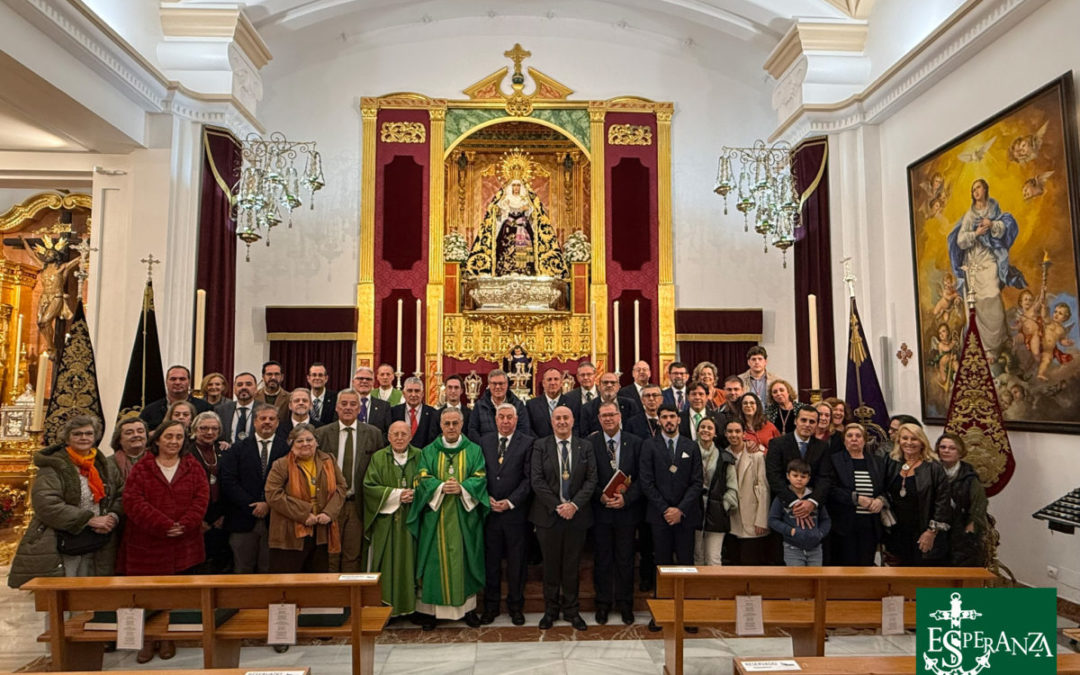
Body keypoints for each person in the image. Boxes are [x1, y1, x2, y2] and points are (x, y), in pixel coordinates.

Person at [120, 419, 208, 663]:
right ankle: (147, 641)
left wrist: (184, 524)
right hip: (148, 545)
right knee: (145, 597)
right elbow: (133, 501)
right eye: (169, 436)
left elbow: (201, 498)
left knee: (174, 596)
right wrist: (163, 525)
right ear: (157, 439)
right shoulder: (142, 467)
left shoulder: (193, 466)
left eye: (179, 437)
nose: (174, 441)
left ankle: (168, 638)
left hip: (183, 543)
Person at [9, 415, 123, 588]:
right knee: (65, 594)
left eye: (88, 433)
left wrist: (112, 517)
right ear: (67, 438)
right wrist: (88, 519)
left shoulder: (103, 465)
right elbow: (46, 503)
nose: (84, 438)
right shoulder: (54, 466)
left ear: (95, 437)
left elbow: (120, 494)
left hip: (99, 540)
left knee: (94, 595)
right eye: (77, 434)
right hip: (64, 540)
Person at [407, 408, 489, 629]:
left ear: (462, 424)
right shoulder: (428, 451)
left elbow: (480, 477)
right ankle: (430, 612)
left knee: (463, 561)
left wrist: (462, 488)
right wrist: (442, 486)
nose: (451, 427)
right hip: (435, 518)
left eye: (455, 423)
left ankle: (467, 610)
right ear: (441, 425)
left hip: (464, 517)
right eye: (447, 423)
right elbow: (421, 476)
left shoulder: (474, 450)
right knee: (434, 562)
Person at [530, 405, 596, 631]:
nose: (561, 422)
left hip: (576, 516)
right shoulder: (540, 445)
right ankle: (550, 611)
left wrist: (574, 505)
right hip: (548, 515)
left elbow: (591, 480)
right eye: (557, 418)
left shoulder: (585, 446)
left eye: (565, 418)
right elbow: (537, 480)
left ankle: (572, 610)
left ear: (573, 421)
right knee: (550, 566)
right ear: (551, 422)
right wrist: (559, 505)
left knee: (571, 565)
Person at [641, 404, 702, 631]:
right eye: (664, 417)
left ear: (679, 420)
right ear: (659, 420)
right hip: (660, 516)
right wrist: (666, 509)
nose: (668, 420)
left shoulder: (690, 445)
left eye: (672, 417)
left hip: (685, 516)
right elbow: (646, 481)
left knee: (686, 563)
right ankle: (662, 613)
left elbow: (697, 482)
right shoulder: (650, 445)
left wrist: (680, 509)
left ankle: (686, 613)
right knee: (662, 564)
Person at [947, 178, 1026, 353]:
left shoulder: (993, 206)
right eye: (973, 189)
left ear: (985, 189)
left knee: (992, 295)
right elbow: (960, 241)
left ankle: (998, 340)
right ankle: (984, 347)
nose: (975, 191)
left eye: (978, 188)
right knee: (977, 302)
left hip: (989, 258)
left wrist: (992, 224)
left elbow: (1002, 227)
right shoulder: (970, 215)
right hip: (973, 260)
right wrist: (976, 233)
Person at [313, 389, 383, 572]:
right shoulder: (322, 434)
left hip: (356, 503)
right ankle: (330, 598)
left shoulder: (373, 434)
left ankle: (349, 599)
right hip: (329, 503)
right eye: (344, 404)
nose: (348, 408)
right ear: (336, 407)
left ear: (360, 408)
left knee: (353, 554)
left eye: (353, 404)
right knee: (330, 554)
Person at [588, 400, 643, 626]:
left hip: (626, 513)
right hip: (600, 513)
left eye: (612, 414)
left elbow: (643, 478)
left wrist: (626, 499)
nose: (608, 419)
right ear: (599, 419)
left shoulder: (636, 443)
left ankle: (625, 604)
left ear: (619, 417)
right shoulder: (589, 443)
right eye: (604, 416)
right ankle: (602, 604)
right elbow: (586, 477)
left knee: (625, 560)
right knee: (602, 560)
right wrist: (599, 496)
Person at [478, 404, 534, 626]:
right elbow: (478, 473)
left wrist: (510, 502)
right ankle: (490, 607)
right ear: (495, 419)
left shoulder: (527, 442)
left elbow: (529, 479)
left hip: (515, 515)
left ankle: (515, 607)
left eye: (509, 417)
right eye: (501, 417)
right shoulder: (484, 441)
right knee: (491, 563)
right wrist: (486, 498)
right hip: (490, 513)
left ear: (516, 419)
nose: (505, 421)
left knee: (516, 563)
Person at [265, 423, 345, 572]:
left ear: (316, 442)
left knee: (317, 581)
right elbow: (272, 495)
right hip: (289, 535)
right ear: (291, 444)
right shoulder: (281, 464)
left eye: (309, 440)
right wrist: (303, 514)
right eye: (299, 441)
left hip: (321, 531)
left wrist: (329, 513)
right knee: (288, 583)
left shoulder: (329, 461)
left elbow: (341, 488)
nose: (305, 444)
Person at [218, 403, 289, 573]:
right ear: (255, 422)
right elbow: (228, 480)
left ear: (277, 423)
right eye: (262, 418)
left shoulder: (287, 450)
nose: (267, 422)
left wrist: (267, 504)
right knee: (242, 569)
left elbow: (290, 482)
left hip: (275, 519)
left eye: (271, 419)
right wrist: (253, 504)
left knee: (269, 570)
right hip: (242, 517)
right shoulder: (238, 448)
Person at [364, 421, 422, 618]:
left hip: (413, 521)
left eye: (403, 434)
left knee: (411, 562)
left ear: (410, 436)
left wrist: (416, 494)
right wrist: (397, 495)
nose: (399, 438)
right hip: (387, 523)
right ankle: (386, 609)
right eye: (395, 434)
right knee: (388, 565)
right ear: (388, 437)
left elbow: (429, 481)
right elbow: (369, 486)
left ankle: (412, 608)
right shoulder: (379, 458)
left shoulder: (420, 456)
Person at [464, 169, 568, 278]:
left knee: (526, 249)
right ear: (511, 187)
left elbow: (535, 214)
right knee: (505, 247)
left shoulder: (526, 199)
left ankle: (525, 271)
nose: (516, 188)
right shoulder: (505, 199)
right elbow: (496, 213)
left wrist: (528, 209)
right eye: (514, 186)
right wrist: (501, 209)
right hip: (508, 227)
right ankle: (505, 272)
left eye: (518, 185)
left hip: (523, 227)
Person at [883, 423, 951, 566]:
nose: (908, 443)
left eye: (914, 439)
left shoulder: (933, 467)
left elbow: (943, 503)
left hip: (923, 533)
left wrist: (931, 532)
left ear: (922, 442)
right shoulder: (892, 462)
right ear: (898, 441)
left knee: (923, 582)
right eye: (904, 438)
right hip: (897, 533)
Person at [827, 423, 888, 566]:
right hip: (844, 524)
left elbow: (886, 488)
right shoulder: (835, 460)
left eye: (858, 436)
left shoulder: (877, 462)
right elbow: (830, 489)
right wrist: (856, 498)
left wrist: (881, 500)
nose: (854, 439)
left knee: (866, 565)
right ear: (844, 441)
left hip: (870, 525)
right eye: (850, 436)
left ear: (865, 440)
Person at [935, 432, 988, 567]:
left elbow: (979, 505)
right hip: (937, 528)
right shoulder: (932, 471)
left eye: (952, 448)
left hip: (962, 530)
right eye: (943, 447)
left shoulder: (970, 477)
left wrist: (970, 529)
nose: (946, 451)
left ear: (960, 452)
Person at [724, 419, 772, 566]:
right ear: (725, 434)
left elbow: (763, 488)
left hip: (752, 519)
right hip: (732, 519)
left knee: (751, 563)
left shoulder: (756, 455)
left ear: (744, 434)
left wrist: (761, 520)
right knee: (734, 562)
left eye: (737, 431)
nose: (734, 435)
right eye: (730, 432)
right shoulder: (723, 455)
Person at [189, 411, 231, 573]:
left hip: (220, 514)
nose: (209, 432)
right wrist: (197, 520)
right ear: (195, 429)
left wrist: (223, 515)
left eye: (214, 429)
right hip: (197, 516)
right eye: (204, 428)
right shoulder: (186, 451)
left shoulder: (224, 451)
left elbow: (228, 484)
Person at [769, 458, 831, 566]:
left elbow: (826, 520)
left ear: (808, 478)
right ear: (788, 476)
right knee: (796, 580)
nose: (799, 479)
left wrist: (820, 533)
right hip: (792, 548)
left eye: (803, 476)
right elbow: (773, 520)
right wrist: (791, 531)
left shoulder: (815, 497)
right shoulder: (782, 498)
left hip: (815, 548)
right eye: (795, 475)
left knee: (815, 579)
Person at [695, 417, 737, 566]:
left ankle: (713, 590)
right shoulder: (688, 453)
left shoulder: (725, 457)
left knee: (713, 557)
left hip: (716, 512)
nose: (706, 430)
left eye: (710, 428)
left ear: (715, 433)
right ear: (697, 431)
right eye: (703, 427)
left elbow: (732, 487)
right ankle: (697, 589)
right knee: (697, 556)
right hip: (694, 510)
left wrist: (723, 505)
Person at [139, 365, 212, 430]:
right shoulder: (150, 411)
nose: (177, 382)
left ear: (189, 382)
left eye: (182, 379)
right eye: (173, 379)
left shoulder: (205, 408)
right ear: (166, 382)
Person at [467, 369, 529, 441]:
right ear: (489, 385)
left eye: (501, 383)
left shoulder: (518, 405)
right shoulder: (479, 406)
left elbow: (524, 430)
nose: (497, 387)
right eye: (494, 384)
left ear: (507, 384)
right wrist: (484, 446)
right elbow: (473, 430)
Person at [583, 371, 642, 436]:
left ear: (619, 387)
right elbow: (584, 434)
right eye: (605, 383)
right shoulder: (587, 408)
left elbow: (638, 429)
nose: (609, 385)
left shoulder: (630, 405)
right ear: (599, 387)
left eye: (613, 382)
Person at [390, 377, 440, 448]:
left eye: (417, 391)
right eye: (410, 391)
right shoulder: (393, 412)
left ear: (422, 394)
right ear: (404, 393)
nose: (413, 395)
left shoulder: (433, 413)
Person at [525, 367, 571, 438]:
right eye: (549, 379)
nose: (552, 383)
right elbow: (528, 429)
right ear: (543, 383)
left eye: (556, 379)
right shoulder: (531, 405)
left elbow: (575, 428)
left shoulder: (572, 403)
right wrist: (540, 444)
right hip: (539, 446)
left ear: (561, 383)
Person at [216, 372, 257, 444]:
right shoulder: (221, 410)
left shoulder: (265, 410)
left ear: (256, 388)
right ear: (234, 389)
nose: (244, 387)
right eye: (239, 385)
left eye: (248, 384)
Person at [351, 366, 391, 435]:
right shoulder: (344, 404)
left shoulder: (384, 406)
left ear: (373, 382)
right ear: (353, 382)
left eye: (368, 379)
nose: (364, 381)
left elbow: (387, 433)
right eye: (360, 378)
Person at [109, 415, 150, 483]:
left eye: (140, 431)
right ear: (119, 440)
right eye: (129, 433)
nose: (136, 435)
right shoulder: (109, 464)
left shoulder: (159, 459)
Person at [306, 362, 337, 426]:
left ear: (326, 378)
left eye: (320, 375)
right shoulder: (302, 398)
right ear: (308, 378)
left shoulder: (336, 398)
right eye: (314, 375)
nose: (317, 378)